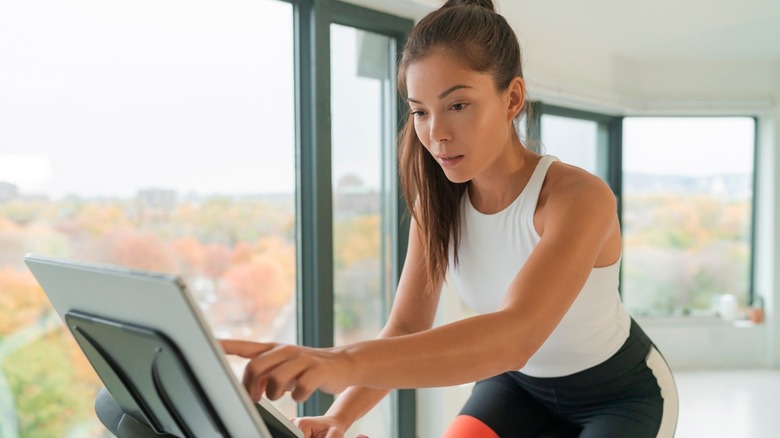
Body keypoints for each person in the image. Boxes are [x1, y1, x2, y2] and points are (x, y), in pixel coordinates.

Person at [221, 0, 679, 436]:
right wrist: (340, 417)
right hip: (516, 386)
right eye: (421, 111)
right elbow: (405, 327)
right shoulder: (437, 205)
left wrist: (339, 361)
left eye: (457, 105)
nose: (436, 133)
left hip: (620, 395)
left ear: (512, 97)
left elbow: (515, 335)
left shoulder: (578, 198)